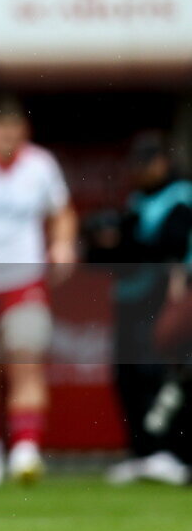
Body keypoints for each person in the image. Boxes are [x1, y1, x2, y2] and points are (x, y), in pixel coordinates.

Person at [0, 101, 77, 489]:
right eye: (1, 128)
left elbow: (62, 211)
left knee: (26, 359)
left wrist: (63, 244)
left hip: (24, 279)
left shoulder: (41, 165)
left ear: (25, 131)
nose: (8, 136)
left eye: (15, 128)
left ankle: (25, 450)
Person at [88, 132, 192, 485]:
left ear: (163, 162)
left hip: (168, 299)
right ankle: (143, 452)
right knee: (127, 375)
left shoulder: (181, 199)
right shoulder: (136, 202)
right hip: (132, 302)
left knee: (161, 377)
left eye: (147, 162)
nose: (141, 169)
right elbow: (115, 256)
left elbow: (170, 248)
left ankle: (170, 452)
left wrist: (127, 241)